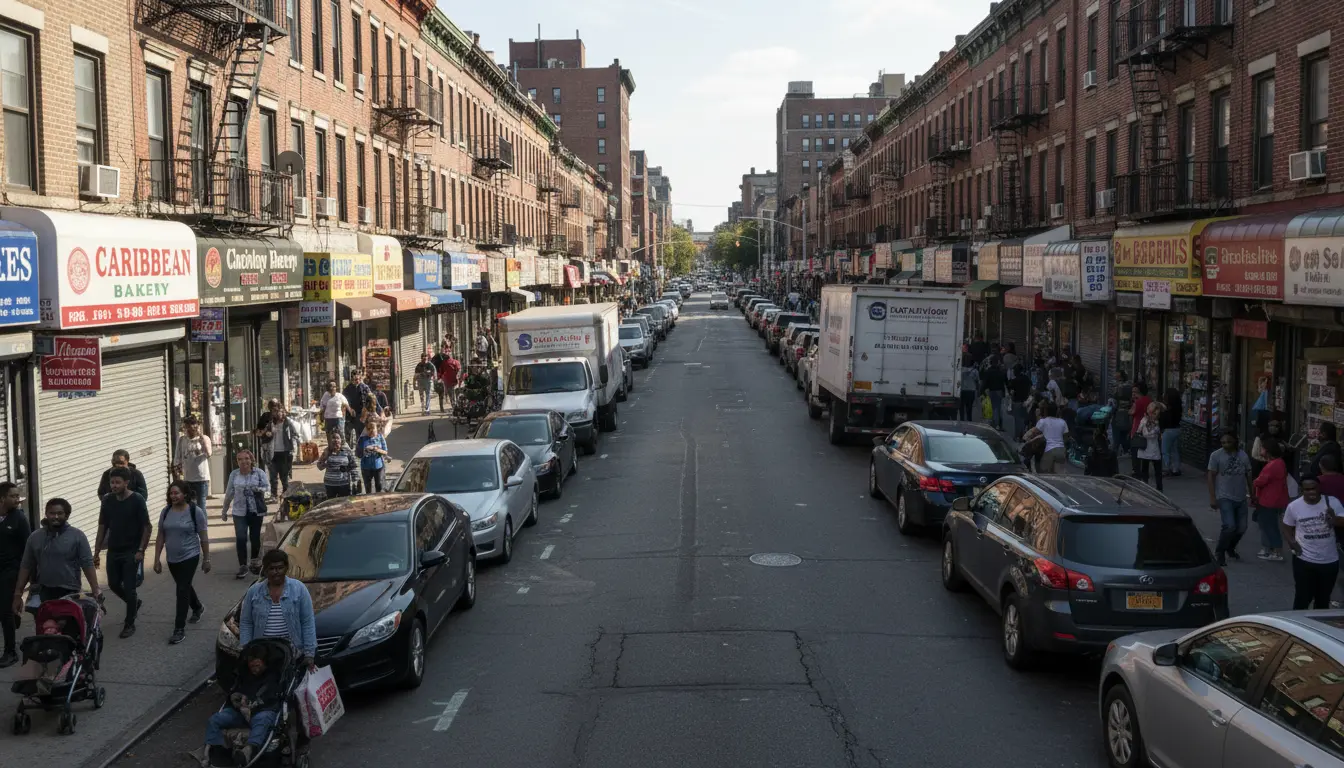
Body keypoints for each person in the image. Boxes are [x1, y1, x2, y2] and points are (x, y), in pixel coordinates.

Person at [10, 499, 101, 616]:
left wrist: (95, 589)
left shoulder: (77, 536)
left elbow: (87, 563)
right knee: (46, 629)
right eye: (52, 513)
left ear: (67, 515)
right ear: (46, 514)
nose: (55, 517)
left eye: (60, 513)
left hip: (70, 592)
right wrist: (18, 593)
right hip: (43, 591)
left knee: (67, 629)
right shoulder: (35, 537)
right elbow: (26, 566)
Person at [94, 467, 152, 638]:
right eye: (112, 482)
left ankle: (129, 623)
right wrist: (96, 551)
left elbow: (147, 526)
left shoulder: (137, 500)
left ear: (126, 483)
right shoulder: (107, 500)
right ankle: (134, 604)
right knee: (113, 584)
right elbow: (102, 527)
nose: (114, 485)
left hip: (131, 551)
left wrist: (141, 550)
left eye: (118, 482)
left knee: (130, 587)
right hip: (113, 550)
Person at [205, 644, 284, 767]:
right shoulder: (245, 675)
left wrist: (251, 705)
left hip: (261, 710)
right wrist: (234, 697)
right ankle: (217, 751)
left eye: (257, 666)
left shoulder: (272, 677)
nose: (254, 670)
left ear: (264, 663)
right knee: (214, 720)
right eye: (252, 666)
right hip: (239, 712)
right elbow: (235, 691)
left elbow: (272, 698)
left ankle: (248, 751)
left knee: (262, 721)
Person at [152, 480, 210, 645]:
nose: (173, 496)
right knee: (184, 586)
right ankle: (197, 607)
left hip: (190, 555)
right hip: (172, 558)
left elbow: (203, 537)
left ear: (185, 494)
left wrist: (206, 558)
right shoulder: (166, 511)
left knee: (182, 589)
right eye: (171, 493)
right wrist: (157, 559)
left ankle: (179, 629)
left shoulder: (195, 511)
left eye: (177, 493)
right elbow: (161, 536)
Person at [237, 549, 316, 664]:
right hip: (262, 654)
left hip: (292, 653)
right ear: (265, 570)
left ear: (286, 568)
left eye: (280, 568)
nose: (276, 572)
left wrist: (309, 654)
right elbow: (246, 622)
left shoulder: (299, 589)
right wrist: (247, 650)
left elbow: (307, 621)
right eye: (272, 568)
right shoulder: (254, 592)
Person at [1282, 477, 1344, 610]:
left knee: (1323, 599)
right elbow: (1287, 526)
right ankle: (1298, 627)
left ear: (1319, 487)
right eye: (1307, 489)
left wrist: (1334, 520)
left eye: (1314, 488)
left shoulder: (1332, 502)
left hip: (1329, 561)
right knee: (1302, 598)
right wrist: (1292, 542)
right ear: (1302, 490)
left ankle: (1317, 627)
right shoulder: (1294, 506)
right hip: (1304, 560)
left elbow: (1342, 521)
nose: (1312, 492)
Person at [222, 450, 269, 580]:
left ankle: (254, 563)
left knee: (255, 538)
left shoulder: (259, 473)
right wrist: (224, 510)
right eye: (240, 459)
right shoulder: (234, 474)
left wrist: (258, 490)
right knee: (241, 538)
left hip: (256, 511)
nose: (244, 462)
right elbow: (229, 493)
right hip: (239, 511)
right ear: (237, 462)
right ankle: (243, 565)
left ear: (251, 459)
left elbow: (268, 489)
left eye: (246, 458)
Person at [1208, 431, 1252, 566]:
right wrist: (1213, 498)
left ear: (1235, 441)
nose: (1226, 445)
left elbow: (1249, 475)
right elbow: (1211, 476)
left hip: (1240, 496)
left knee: (1242, 528)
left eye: (1229, 442)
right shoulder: (1216, 456)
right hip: (1224, 496)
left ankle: (1230, 547)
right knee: (1229, 526)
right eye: (1223, 442)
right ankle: (1219, 551)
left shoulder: (1243, 455)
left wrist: (1253, 494)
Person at [0, 481, 29, 666]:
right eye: (13, 496)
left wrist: (25, 575)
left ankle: (11, 652)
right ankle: (15, 611)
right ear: (2, 499)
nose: (18, 499)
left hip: (10, 571)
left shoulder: (19, 518)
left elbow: (28, 548)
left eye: (18, 496)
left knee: (4, 612)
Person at [255, 400, 301, 500]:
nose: (277, 412)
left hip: (285, 452)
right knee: (273, 476)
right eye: (274, 410)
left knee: (284, 476)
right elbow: (258, 432)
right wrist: (264, 433)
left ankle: (285, 495)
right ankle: (274, 495)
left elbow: (296, 434)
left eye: (279, 410)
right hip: (272, 452)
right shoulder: (269, 422)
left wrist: (295, 447)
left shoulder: (287, 422)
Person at [1252, 440, 1289, 562]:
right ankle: (1269, 549)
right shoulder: (1279, 463)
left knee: (1269, 526)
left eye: (1262, 448)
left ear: (1268, 450)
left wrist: (1254, 483)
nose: (1261, 450)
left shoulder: (1273, 465)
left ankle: (1276, 551)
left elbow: (1259, 481)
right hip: (1274, 499)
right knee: (1267, 525)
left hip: (1269, 500)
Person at [173, 416, 213, 506]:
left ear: (196, 427)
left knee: (201, 506)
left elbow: (208, 454)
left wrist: (201, 436)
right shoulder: (182, 440)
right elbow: (177, 458)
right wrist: (178, 474)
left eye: (191, 428)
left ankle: (202, 520)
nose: (188, 431)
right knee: (189, 506)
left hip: (201, 479)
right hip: (187, 479)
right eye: (186, 428)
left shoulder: (204, 438)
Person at [1134, 401, 1164, 491]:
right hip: (1148, 447)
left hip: (1151, 447)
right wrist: (1154, 432)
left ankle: (1158, 488)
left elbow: (1141, 431)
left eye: (1156, 414)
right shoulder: (1146, 421)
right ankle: (1150, 487)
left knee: (1154, 469)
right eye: (1153, 413)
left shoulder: (1148, 420)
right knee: (1148, 468)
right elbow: (1144, 433)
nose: (1154, 415)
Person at [1033, 402, 1071, 474]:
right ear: (1057, 411)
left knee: (1045, 475)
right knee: (1059, 475)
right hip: (1061, 450)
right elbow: (1066, 437)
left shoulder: (1042, 421)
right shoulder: (1062, 422)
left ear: (1046, 411)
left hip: (1048, 450)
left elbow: (1034, 434)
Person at [317, 432, 358, 498]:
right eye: (333, 438)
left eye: (337, 438)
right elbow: (319, 467)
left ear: (341, 440)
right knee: (331, 504)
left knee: (344, 504)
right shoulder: (327, 451)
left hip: (344, 483)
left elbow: (353, 466)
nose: (335, 440)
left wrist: (355, 481)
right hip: (330, 483)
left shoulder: (347, 451)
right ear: (330, 440)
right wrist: (325, 459)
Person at [356, 422, 388, 494]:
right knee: (368, 489)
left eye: (372, 428)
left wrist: (375, 449)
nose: (370, 430)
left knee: (379, 487)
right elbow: (358, 454)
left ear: (376, 429)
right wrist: (364, 450)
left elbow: (385, 452)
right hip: (366, 468)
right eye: (368, 428)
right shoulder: (362, 439)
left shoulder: (380, 437)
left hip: (378, 466)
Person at [342, 372, 372, 446]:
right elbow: (343, 402)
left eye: (359, 379)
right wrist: (349, 409)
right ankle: (349, 451)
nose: (357, 381)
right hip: (350, 415)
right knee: (348, 435)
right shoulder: (347, 389)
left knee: (361, 434)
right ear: (352, 379)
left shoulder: (365, 388)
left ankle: (360, 451)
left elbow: (371, 399)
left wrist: (366, 410)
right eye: (355, 379)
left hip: (362, 415)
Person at [1129, 382, 1152, 476]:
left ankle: (1136, 471)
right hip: (1148, 428)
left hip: (1137, 428)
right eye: (1132, 392)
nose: (1133, 394)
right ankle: (1144, 470)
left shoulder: (1138, 402)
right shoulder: (1149, 400)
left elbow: (1131, 412)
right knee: (1145, 450)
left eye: (1135, 392)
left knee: (1135, 451)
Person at [1160, 388, 1184, 477]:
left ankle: (1166, 468)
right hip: (1177, 429)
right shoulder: (1178, 407)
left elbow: (1165, 420)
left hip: (1169, 430)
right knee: (1175, 450)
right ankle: (1176, 469)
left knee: (1165, 450)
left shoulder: (1168, 409)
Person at [981, 356, 1007, 431]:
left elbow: (984, 382)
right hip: (999, 391)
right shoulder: (1000, 372)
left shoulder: (988, 372)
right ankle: (998, 424)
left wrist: (982, 391)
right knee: (998, 408)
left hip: (991, 391)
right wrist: (1004, 392)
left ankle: (993, 424)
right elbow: (1005, 382)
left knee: (992, 408)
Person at [433, 346, 461, 414]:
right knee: (452, 396)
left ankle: (455, 407)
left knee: (453, 396)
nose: (447, 354)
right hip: (448, 382)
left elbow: (459, 370)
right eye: (446, 352)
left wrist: (458, 376)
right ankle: (454, 408)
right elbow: (441, 371)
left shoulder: (455, 362)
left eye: (448, 352)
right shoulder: (444, 363)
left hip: (454, 382)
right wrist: (439, 378)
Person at [1008, 364, 1032, 441]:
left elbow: (1010, 390)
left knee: (1017, 420)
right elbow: (1030, 387)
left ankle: (1018, 436)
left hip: (1017, 401)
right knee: (1024, 419)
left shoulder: (1014, 380)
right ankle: (1023, 435)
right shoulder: (1026, 378)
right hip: (1026, 401)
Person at [958, 355, 979, 422]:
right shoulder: (975, 371)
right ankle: (969, 420)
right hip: (971, 391)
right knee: (969, 407)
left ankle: (962, 420)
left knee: (961, 407)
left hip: (962, 390)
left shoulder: (959, 370)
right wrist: (978, 390)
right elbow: (977, 381)